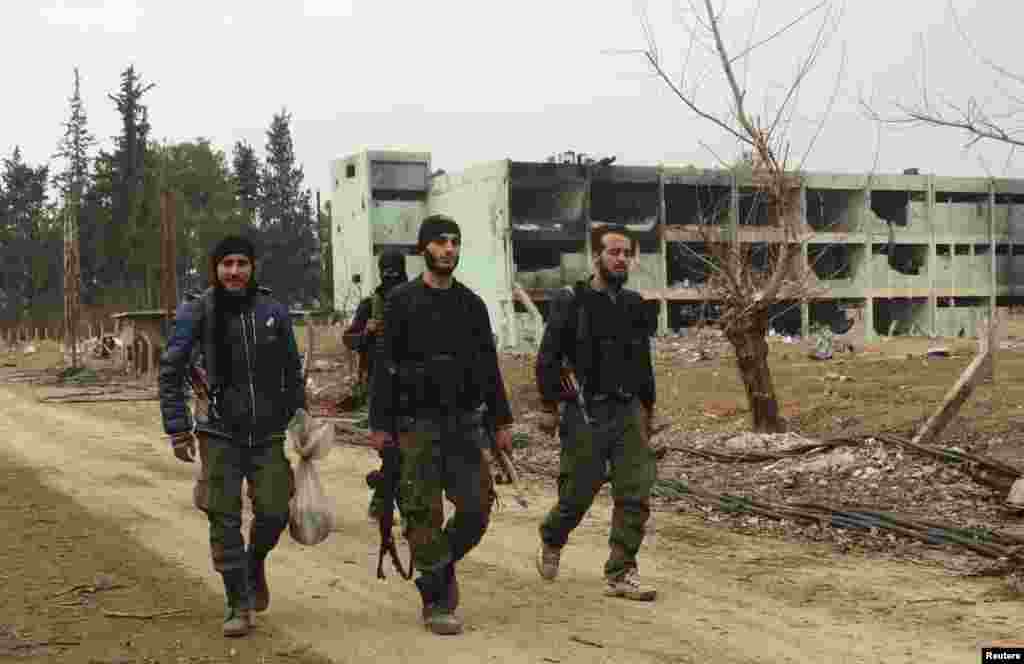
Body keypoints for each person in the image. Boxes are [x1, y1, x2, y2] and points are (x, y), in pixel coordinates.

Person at [368, 214, 515, 635]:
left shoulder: (471, 305)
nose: (448, 248)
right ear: (423, 249)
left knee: (476, 509)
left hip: (465, 425)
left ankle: (437, 565)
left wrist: (501, 420)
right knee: (421, 512)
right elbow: (384, 367)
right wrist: (380, 425)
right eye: (439, 242)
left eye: (454, 241)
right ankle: (436, 599)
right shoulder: (400, 301)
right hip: (415, 426)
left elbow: (489, 368)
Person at [158, 235, 305, 637]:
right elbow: (171, 370)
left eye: (242, 263)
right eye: (227, 264)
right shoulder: (198, 310)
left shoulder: (272, 310)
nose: (235, 271)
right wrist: (177, 430)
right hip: (217, 431)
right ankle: (237, 602)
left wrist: (298, 415)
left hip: (267, 433)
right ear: (215, 268)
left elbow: (292, 368)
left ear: (253, 267)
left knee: (274, 511)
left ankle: (253, 562)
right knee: (223, 518)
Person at [534, 224, 659, 601]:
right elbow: (548, 358)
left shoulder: (635, 304)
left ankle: (621, 571)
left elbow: (642, 361)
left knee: (635, 492)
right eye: (613, 252)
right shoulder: (571, 300)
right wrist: (549, 406)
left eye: (626, 253)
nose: (621, 259)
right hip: (585, 411)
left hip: (628, 410)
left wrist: (648, 409)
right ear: (596, 257)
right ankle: (553, 536)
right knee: (578, 492)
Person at [342, 250, 409, 520]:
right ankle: (391, 502)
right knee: (390, 448)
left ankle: (385, 498)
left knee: (405, 449)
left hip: (413, 386)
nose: (390, 274)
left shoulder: (416, 298)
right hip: (380, 386)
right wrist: (366, 332)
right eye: (386, 269)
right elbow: (349, 340)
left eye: (395, 269)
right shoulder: (370, 304)